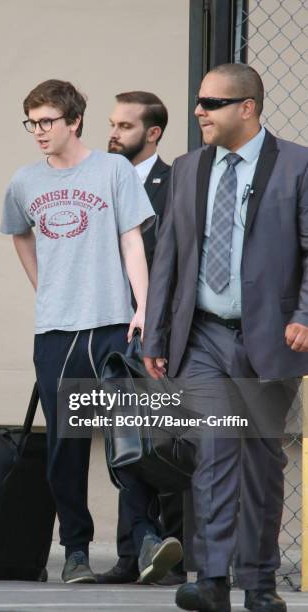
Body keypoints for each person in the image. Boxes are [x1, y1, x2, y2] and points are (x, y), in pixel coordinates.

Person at [0, 79, 182, 584]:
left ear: (74, 121)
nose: (38, 132)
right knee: (66, 443)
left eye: (47, 122)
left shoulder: (113, 170)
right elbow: (18, 232)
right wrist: (44, 285)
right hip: (56, 330)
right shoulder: (23, 182)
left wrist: (142, 306)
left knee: (131, 436)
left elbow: (131, 241)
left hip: (113, 325)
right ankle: (75, 552)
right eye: (31, 122)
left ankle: (145, 537)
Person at [143, 62, 308, 612]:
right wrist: (157, 336)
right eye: (198, 101)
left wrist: (304, 314)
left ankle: (259, 586)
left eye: (210, 103)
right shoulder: (189, 168)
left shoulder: (298, 166)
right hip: (204, 337)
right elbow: (168, 254)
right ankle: (212, 581)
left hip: (271, 339)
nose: (198, 112)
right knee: (214, 452)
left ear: (248, 108)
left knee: (261, 462)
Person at [98, 91, 186, 586]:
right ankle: (136, 553)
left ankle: (164, 551)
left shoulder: (173, 184)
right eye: (111, 123)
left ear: (152, 133)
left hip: (154, 334)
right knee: (124, 442)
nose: (113, 133)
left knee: (158, 443)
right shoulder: (99, 179)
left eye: (125, 126)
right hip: (103, 327)